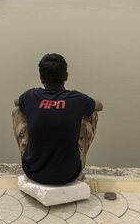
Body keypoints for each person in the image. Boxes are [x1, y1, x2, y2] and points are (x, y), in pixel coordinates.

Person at [13, 53, 103, 185]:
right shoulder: (77, 99)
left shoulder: (30, 96)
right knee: (92, 113)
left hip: (33, 172)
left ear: (41, 78)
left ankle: (30, 155)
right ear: (66, 76)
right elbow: (100, 106)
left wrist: (41, 108)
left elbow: (16, 101)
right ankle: (79, 160)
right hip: (70, 175)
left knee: (18, 111)